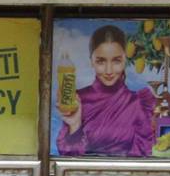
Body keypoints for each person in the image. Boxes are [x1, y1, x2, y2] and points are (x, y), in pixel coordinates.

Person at [56, 24, 155, 157]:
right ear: (91, 61)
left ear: (125, 60)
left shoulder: (138, 104)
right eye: (101, 61)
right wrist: (75, 126)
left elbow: (143, 159)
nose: (109, 71)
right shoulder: (77, 101)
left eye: (116, 61)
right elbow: (68, 159)